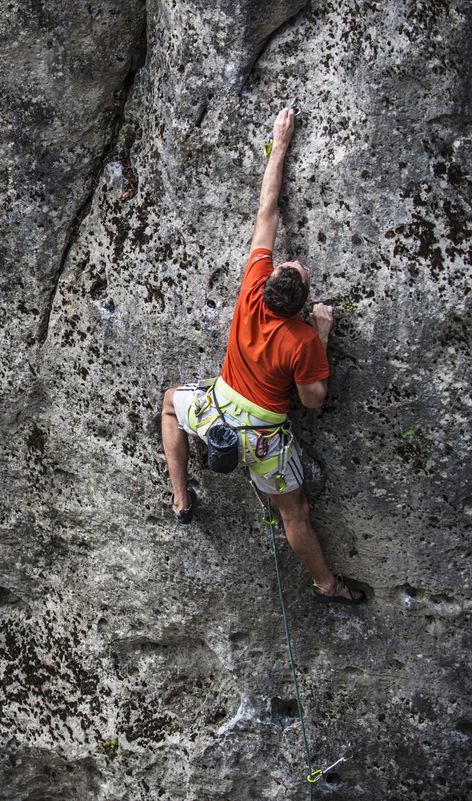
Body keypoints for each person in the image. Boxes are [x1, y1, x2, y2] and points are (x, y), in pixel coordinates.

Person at [159, 105, 367, 606]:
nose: (290, 262)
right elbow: (313, 400)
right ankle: (327, 586)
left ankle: (182, 495)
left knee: (170, 403)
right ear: (297, 305)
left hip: (217, 409)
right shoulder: (300, 341)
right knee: (294, 514)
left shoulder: (252, 287)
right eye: (294, 268)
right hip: (263, 438)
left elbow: (266, 211)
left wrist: (279, 141)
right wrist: (319, 334)